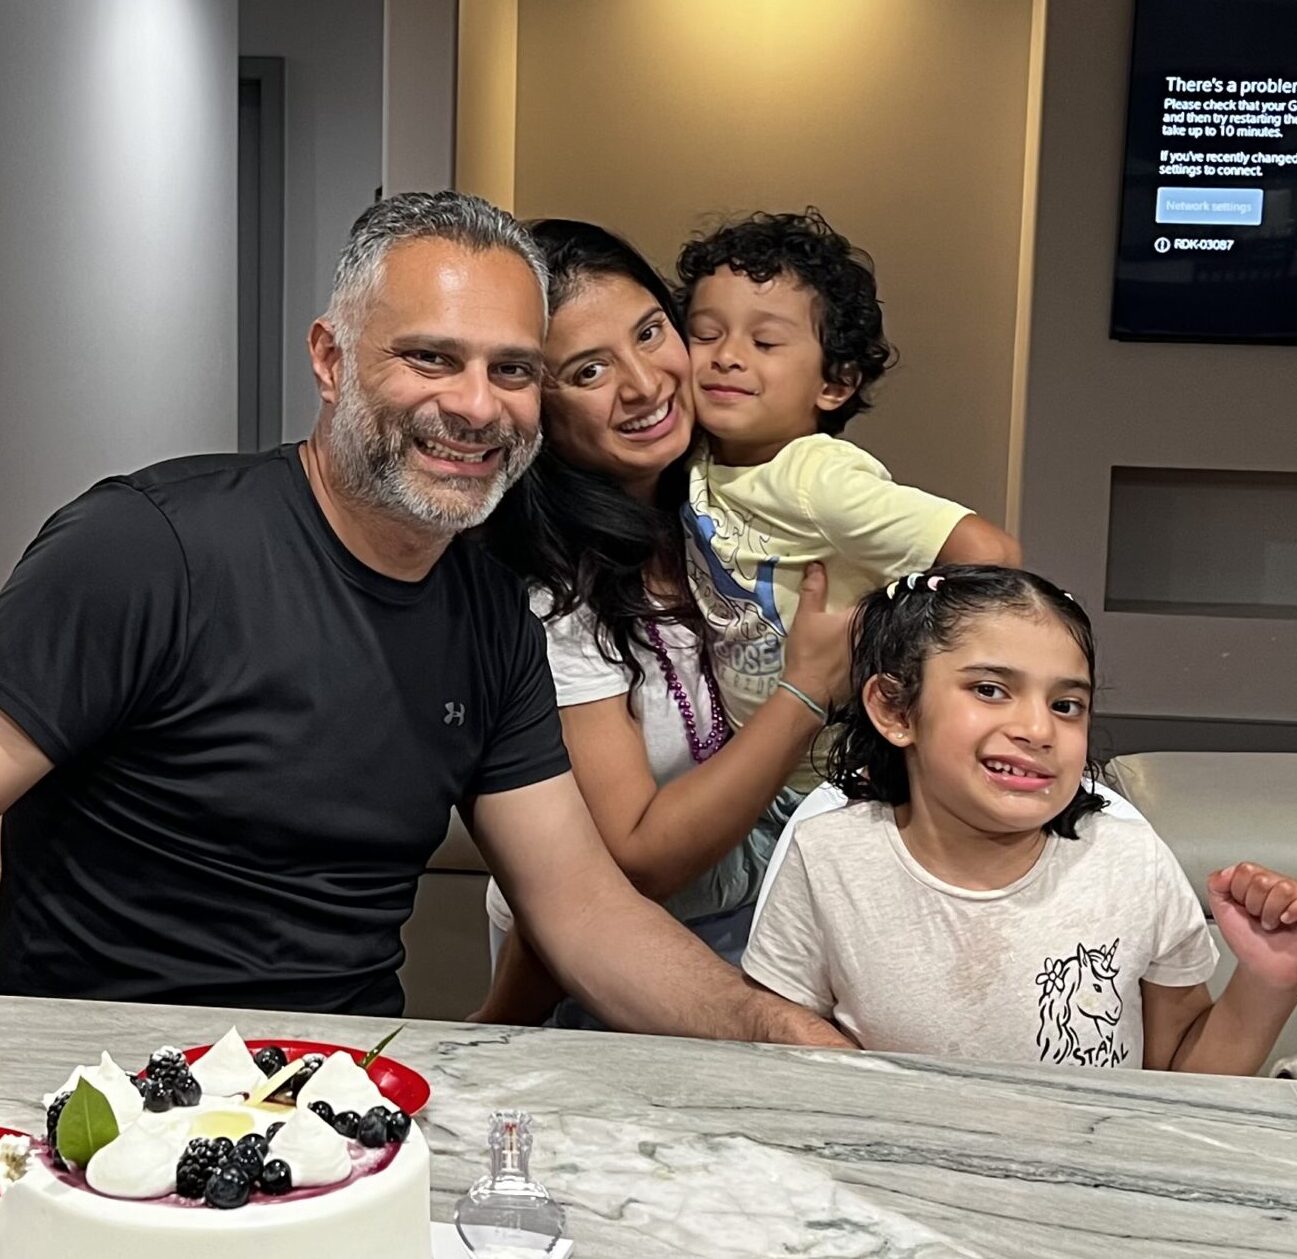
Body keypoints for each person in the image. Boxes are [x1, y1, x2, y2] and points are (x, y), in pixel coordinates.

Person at [0, 191, 849, 1048]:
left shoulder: (490, 615)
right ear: (331, 360)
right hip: (96, 1101)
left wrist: (776, 1033)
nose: (478, 407)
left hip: (345, 1101)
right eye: (433, 358)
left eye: (512, 370)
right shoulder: (148, 548)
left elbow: (583, 909)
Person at [471, 220, 852, 1028]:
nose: (644, 384)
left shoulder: (721, 501)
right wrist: (807, 690)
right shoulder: (549, 597)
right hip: (610, 980)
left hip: (761, 936)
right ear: (536, 404)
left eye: (651, 333)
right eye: (588, 369)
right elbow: (634, 855)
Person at [743, 565, 1297, 1071]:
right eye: (991, 690)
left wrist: (1269, 979)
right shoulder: (830, 857)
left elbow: (1179, 1076)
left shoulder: (1128, 862)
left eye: (1066, 705)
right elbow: (782, 1049)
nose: (1039, 730)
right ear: (896, 710)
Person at [676, 209, 1021, 797]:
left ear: (833, 384)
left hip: (837, 781)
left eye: (764, 342)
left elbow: (991, 553)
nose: (727, 355)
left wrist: (869, 634)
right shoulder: (695, 456)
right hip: (753, 769)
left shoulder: (817, 477)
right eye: (705, 334)